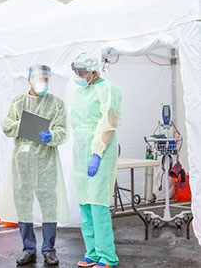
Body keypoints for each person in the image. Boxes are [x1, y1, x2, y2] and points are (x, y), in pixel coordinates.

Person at [1, 64, 69, 266]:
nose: (43, 83)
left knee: (49, 206)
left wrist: (51, 136)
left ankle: (49, 250)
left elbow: (62, 131)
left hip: (46, 161)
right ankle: (28, 249)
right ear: (29, 80)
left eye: (46, 79)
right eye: (39, 78)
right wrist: (25, 126)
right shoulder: (18, 102)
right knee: (23, 205)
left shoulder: (56, 104)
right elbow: (6, 125)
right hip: (22, 163)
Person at [70, 52, 121, 268]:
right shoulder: (81, 92)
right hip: (80, 150)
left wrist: (97, 152)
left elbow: (109, 122)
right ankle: (92, 252)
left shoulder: (108, 89)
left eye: (82, 71)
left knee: (98, 204)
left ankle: (107, 256)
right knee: (84, 203)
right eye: (77, 72)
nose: (79, 75)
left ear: (93, 70)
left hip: (99, 148)